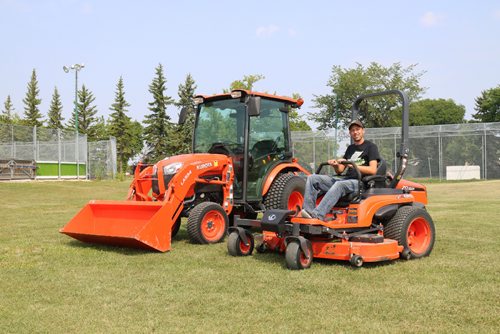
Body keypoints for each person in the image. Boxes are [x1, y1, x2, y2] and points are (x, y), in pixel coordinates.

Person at [301, 120, 380, 220]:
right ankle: (308, 212)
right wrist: (335, 164)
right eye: (352, 130)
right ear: (350, 133)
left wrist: (353, 165)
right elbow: (340, 171)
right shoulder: (350, 148)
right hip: (346, 179)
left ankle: (317, 215)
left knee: (339, 185)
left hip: (359, 182)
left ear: (363, 131)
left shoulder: (371, 147)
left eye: (357, 129)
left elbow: (373, 170)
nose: (355, 132)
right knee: (312, 178)